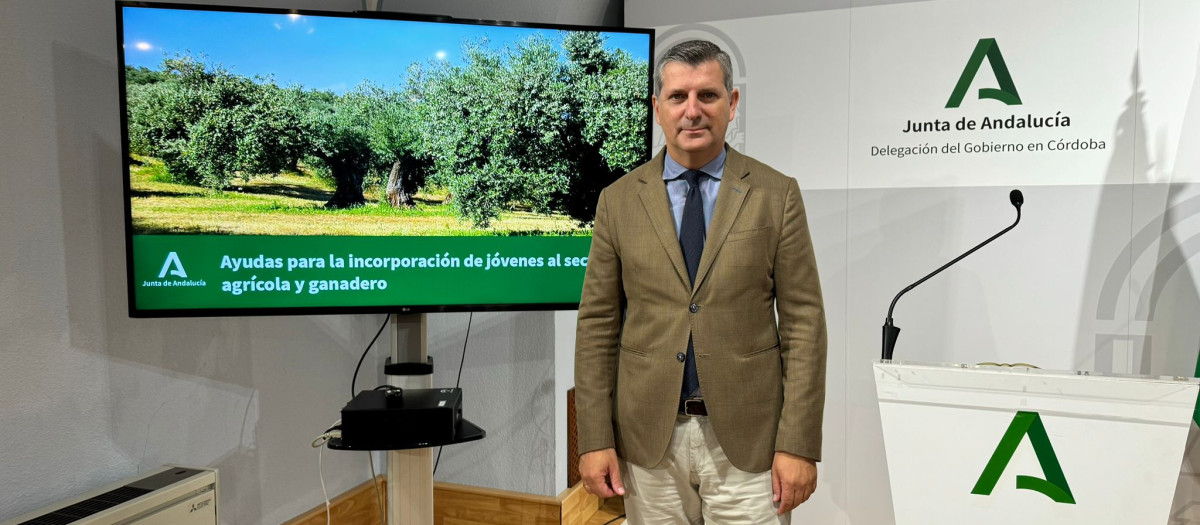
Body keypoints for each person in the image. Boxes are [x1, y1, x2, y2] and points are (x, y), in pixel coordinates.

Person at [573, 39, 828, 524]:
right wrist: (595, 439)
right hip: (648, 442)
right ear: (657, 108)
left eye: (707, 96)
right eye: (678, 97)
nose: (693, 111)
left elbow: (804, 326)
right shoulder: (618, 201)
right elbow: (598, 328)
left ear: (732, 104)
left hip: (749, 445)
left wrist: (798, 443)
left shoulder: (776, 195)